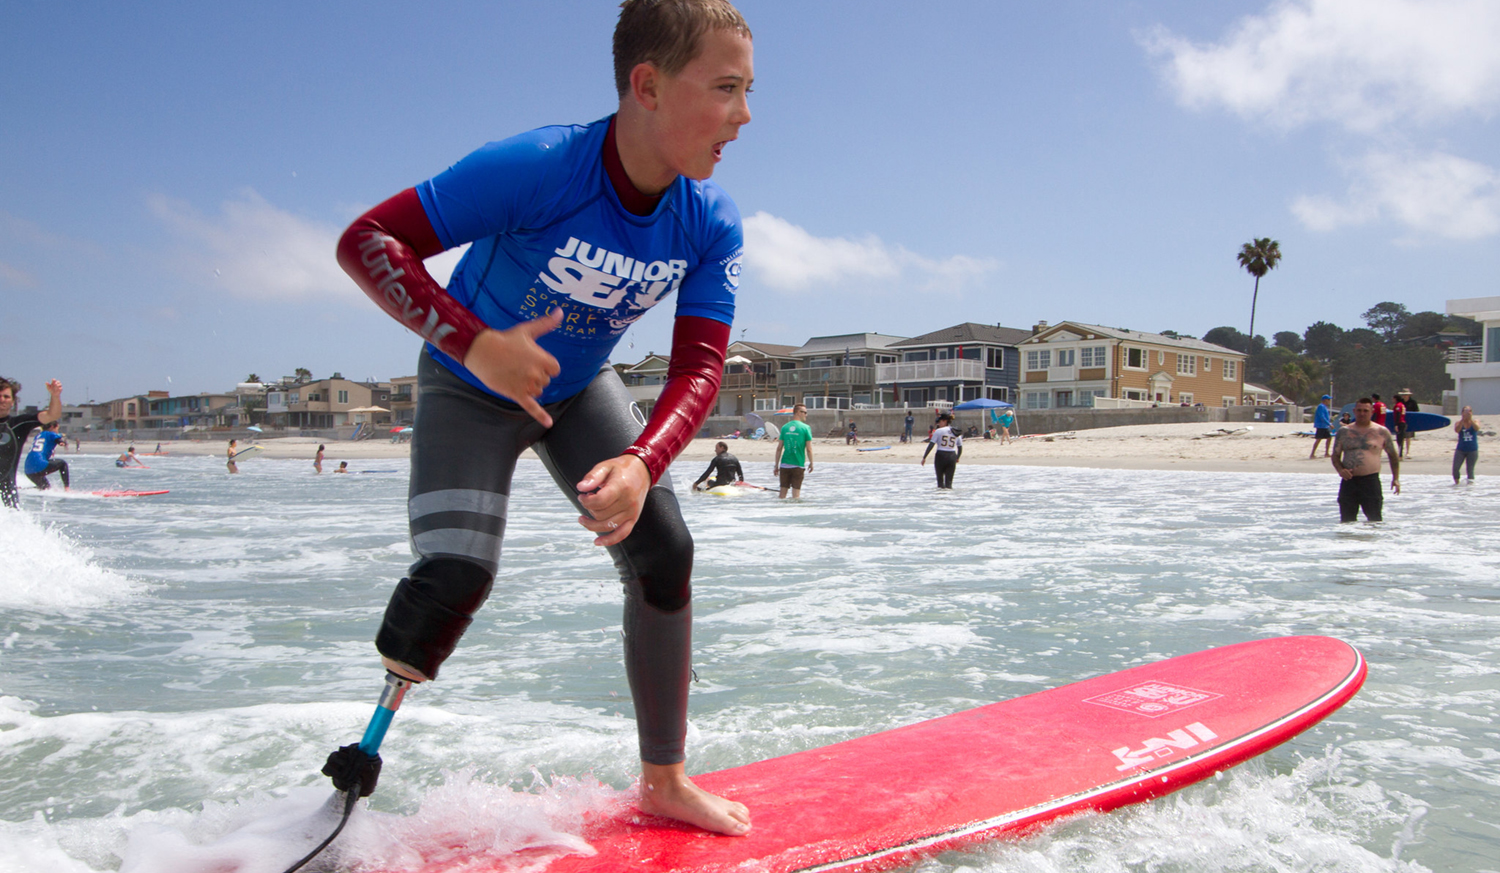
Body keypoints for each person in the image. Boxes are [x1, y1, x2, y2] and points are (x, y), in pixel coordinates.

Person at [332, 0, 752, 836]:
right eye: (727, 88)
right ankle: (351, 772)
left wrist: (642, 461)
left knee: (665, 552)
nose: (744, 116)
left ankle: (664, 780)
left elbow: (701, 365)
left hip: (578, 392)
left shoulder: (708, 220)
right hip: (467, 384)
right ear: (649, 85)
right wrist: (475, 341)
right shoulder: (538, 166)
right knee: (455, 576)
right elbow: (369, 238)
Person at [1331, 398, 1400, 523]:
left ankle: (1373, 543)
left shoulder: (1381, 432)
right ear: (1354, 411)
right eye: (1359, 410)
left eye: (1365, 410)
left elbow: (1393, 456)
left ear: (1372, 412)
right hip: (1349, 482)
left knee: (1375, 521)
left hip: (1370, 481)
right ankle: (1347, 542)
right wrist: (1341, 470)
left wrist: (1395, 478)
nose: (1362, 413)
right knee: (1347, 522)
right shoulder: (1344, 432)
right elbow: (1335, 456)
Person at [1, 377, 63, 509]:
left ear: (12, 402)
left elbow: (52, 415)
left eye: (6, 396)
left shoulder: (19, 424)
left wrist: (55, 396)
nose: (2, 400)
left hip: (6, 496)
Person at [772, 403, 813, 498]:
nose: (806, 415)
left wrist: (776, 465)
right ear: (798, 412)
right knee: (796, 494)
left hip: (784, 464)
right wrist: (811, 463)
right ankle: (794, 511)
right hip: (798, 464)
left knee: (782, 494)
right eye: (805, 412)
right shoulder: (806, 428)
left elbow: (779, 448)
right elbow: (809, 449)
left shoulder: (785, 427)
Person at [25, 420, 70, 490]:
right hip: (40, 465)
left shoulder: (38, 435)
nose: (57, 431)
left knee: (45, 488)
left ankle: (24, 490)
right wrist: (61, 442)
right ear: (52, 427)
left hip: (28, 470)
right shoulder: (50, 433)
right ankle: (67, 489)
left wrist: (60, 436)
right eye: (57, 428)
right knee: (63, 464)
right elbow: (57, 438)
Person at [922, 411, 963, 488]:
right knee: (949, 483)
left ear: (945, 421)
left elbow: (931, 444)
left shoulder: (939, 431)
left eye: (940, 421)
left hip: (941, 456)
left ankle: (941, 498)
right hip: (952, 456)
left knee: (940, 482)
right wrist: (957, 457)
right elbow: (960, 447)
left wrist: (924, 457)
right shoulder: (956, 432)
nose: (938, 423)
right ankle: (949, 498)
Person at [1453, 406, 1480, 484]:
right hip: (1461, 449)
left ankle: (1470, 488)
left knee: (1470, 470)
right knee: (1456, 468)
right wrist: (1463, 419)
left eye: (1470, 411)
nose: (1468, 412)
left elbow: (1477, 428)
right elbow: (1457, 430)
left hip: (1472, 450)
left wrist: (1470, 419)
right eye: (1466, 411)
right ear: (1462, 413)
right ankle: (1456, 484)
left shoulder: (1475, 421)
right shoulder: (1458, 423)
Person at [1309, 394, 1333, 459]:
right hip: (1321, 426)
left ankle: (1326, 453)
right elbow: (1322, 417)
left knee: (1329, 438)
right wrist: (1329, 424)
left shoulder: (1324, 407)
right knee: (1318, 439)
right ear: (1325, 400)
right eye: (1329, 400)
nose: (1329, 401)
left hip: (1325, 426)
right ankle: (1312, 454)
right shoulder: (1321, 406)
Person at [1395, 389, 1417, 457]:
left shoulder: (1413, 402)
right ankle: (1400, 451)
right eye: (1403, 395)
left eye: (1406, 395)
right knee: (1401, 437)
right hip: (1401, 421)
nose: (1404, 396)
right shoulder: (1400, 402)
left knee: (1408, 437)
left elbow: (1416, 412)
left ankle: (1407, 452)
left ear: (1409, 395)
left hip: (1409, 421)